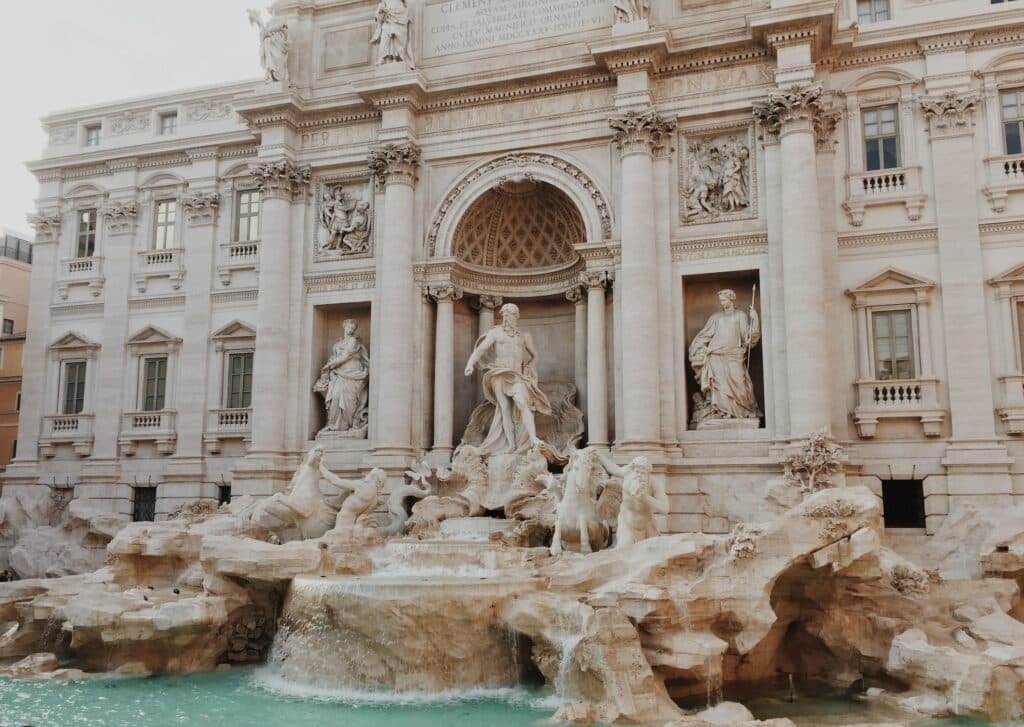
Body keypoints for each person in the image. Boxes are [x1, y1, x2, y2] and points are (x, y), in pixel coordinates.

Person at [464, 303, 552, 455]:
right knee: (504, 410)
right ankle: (511, 445)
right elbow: (480, 350)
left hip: (516, 375)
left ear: (516, 317)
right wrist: (470, 364)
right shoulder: (496, 333)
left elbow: (535, 356)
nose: (506, 318)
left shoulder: (524, 336)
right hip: (499, 374)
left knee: (522, 402)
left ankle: (533, 438)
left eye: (509, 315)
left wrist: (529, 367)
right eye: (504, 315)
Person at [688, 289, 761, 421]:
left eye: (724, 300)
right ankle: (721, 412)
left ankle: (741, 412)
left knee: (739, 383)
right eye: (720, 300)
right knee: (719, 385)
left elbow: (747, 338)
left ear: (731, 299)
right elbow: (703, 336)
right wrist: (698, 348)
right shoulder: (716, 317)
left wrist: (755, 319)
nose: (721, 303)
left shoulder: (740, 315)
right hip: (716, 354)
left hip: (734, 355)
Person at [314, 320, 369, 435]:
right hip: (339, 373)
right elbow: (335, 356)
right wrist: (330, 367)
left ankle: (346, 425)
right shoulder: (338, 343)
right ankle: (332, 425)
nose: (350, 330)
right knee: (335, 396)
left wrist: (330, 365)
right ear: (344, 327)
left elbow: (347, 355)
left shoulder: (353, 341)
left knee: (349, 399)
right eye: (348, 327)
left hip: (352, 372)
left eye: (352, 328)